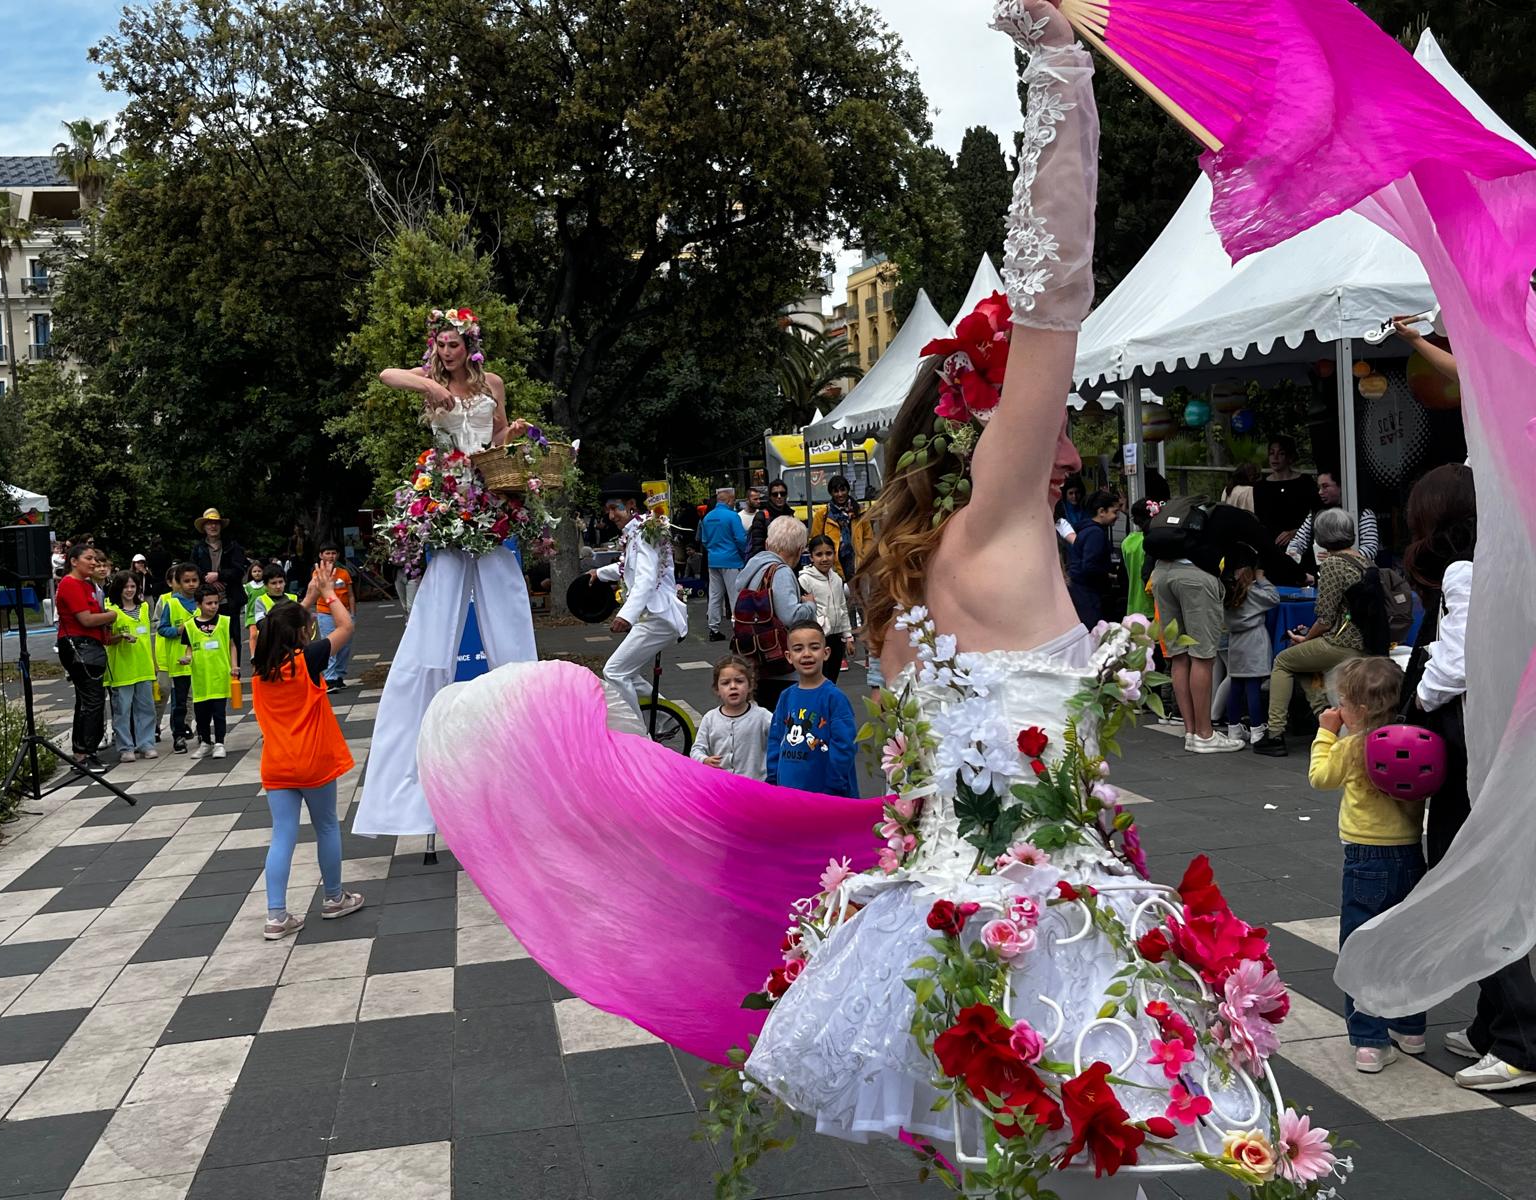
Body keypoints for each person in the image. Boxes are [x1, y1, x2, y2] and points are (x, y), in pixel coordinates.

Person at [413, 6, 1316, 1190]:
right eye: (1047, 427)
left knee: (1004, 1156)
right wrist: (1059, 72)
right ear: (989, 436)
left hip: (947, 912)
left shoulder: (903, 590)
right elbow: (1056, 294)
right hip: (1033, 928)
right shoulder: (998, 527)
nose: (1070, 446)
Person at [356, 306, 539, 840]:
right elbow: (386, 376)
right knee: (436, 612)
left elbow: (500, 436)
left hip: (486, 487)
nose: (446, 351)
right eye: (439, 344)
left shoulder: (494, 383)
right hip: (447, 494)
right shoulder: (430, 381)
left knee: (505, 600)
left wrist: (517, 431)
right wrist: (427, 385)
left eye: (453, 344)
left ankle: (523, 742)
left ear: (470, 345)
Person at [1385, 465, 1536, 1091]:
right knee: (1494, 873)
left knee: (1470, 876)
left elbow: (1453, 667)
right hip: (1508, 737)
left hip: (1472, 742)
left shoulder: (1466, 572)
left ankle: (1520, 1039)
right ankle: (1490, 1023)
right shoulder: (1512, 558)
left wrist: (1415, 699)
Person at [1308, 656, 1426, 1072]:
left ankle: (1369, 1042)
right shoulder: (1412, 740)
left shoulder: (1354, 746)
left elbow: (1320, 778)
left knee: (1360, 946)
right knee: (1404, 943)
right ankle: (1411, 1027)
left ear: (1354, 709)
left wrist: (1326, 733)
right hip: (1410, 853)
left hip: (1364, 857)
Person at [251, 561, 365, 940]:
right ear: (299, 633)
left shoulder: (259, 667)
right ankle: (334, 898)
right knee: (327, 826)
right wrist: (329, 593)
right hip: (313, 761)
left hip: (278, 764)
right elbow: (347, 627)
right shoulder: (309, 659)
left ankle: (276, 916)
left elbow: (279, 623)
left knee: (282, 835)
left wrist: (310, 595)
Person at [1254, 508, 1370, 757]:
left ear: (1322, 536)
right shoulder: (1362, 560)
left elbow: (1325, 619)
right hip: (1363, 639)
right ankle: (1323, 719)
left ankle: (1274, 733)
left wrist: (1307, 637)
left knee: (1284, 661)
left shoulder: (1332, 565)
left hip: (1343, 642)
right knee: (1303, 660)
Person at [591, 476, 689, 704]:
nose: (611, 515)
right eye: (608, 510)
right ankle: (667, 719)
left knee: (615, 671)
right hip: (653, 616)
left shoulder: (646, 532)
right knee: (628, 673)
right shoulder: (637, 532)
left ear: (632, 505)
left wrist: (626, 615)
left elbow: (645, 578)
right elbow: (628, 567)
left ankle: (636, 732)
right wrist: (599, 573)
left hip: (658, 617)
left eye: (615, 508)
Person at [1150, 532, 1244, 754]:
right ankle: (1205, 734)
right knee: (1202, 655)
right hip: (1196, 578)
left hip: (1161, 573)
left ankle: (1191, 732)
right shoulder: (1226, 519)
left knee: (1178, 655)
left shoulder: (1175, 531)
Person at [764, 620, 858, 797]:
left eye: (814, 647)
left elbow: (844, 747)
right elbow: (775, 740)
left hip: (827, 797)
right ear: (788, 656)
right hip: (789, 795)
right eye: (798, 649)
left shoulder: (834, 698)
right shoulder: (786, 697)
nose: (806, 654)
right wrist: (773, 780)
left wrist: (833, 786)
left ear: (826, 653)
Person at [733, 515, 817, 712]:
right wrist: (809, 606)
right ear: (798, 550)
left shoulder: (753, 568)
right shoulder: (781, 571)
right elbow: (789, 616)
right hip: (777, 661)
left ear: (768, 543)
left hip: (754, 653)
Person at [54, 543, 117, 775]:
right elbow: (87, 619)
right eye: (89, 559)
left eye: (96, 559)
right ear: (73, 561)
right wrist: (112, 615)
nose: (93, 563)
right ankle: (84, 753)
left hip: (90, 646)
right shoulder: (70, 584)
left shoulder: (88, 585)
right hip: (79, 647)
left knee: (88, 700)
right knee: (92, 700)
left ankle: (84, 752)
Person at [1222, 549, 1280, 746]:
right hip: (1254, 640)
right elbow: (1274, 598)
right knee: (1253, 686)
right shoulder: (1254, 591)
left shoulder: (1227, 591)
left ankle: (1233, 729)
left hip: (1235, 642)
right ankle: (1257, 729)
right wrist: (1262, 579)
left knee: (1236, 685)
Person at [104, 569, 159, 763]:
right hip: (122, 668)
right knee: (122, 710)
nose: (129, 590)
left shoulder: (144, 608)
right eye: (125, 586)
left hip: (143, 666)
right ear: (118, 588)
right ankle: (126, 747)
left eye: (133, 586)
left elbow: (148, 638)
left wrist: (154, 662)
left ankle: (147, 743)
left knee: (146, 708)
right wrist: (121, 637)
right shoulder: (111, 610)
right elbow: (107, 639)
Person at [179, 583, 238, 760]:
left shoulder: (225, 622)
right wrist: (187, 658)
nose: (213, 606)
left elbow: (232, 645)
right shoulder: (189, 626)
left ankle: (219, 742)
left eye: (215, 603)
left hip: (220, 674)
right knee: (201, 713)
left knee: (219, 712)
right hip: (200, 678)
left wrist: (234, 665)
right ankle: (205, 742)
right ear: (198, 605)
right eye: (208, 603)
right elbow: (189, 648)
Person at [691, 656, 771, 780]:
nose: (733, 686)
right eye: (725, 683)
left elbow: (779, 743)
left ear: (750, 685)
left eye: (739, 681)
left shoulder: (763, 717)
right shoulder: (710, 718)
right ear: (717, 689)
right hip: (721, 786)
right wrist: (704, 759)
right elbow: (697, 749)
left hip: (754, 786)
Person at [1284, 470, 1380, 567]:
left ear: (1341, 485)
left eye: (1325, 486)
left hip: (1356, 575)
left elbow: (1370, 549)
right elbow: (1298, 541)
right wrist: (1293, 552)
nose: (1320, 492)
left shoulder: (1362, 514)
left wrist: (1338, 558)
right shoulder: (1315, 516)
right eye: (1319, 487)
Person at [190, 507, 250, 651]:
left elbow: (239, 570)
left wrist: (219, 576)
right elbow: (193, 572)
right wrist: (208, 579)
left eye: (216, 523)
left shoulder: (232, 546)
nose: (213, 526)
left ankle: (234, 673)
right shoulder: (198, 549)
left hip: (230, 601)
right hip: (207, 602)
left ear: (221, 526)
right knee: (209, 641)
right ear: (204, 527)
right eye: (209, 523)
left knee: (233, 640)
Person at [158, 563, 202, 754]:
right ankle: (179, 734)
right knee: (180, 700)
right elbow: (161, 628)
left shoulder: (203, 602)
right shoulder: (171, 604)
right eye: (187, 581)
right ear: (178, 583)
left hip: (202, 661)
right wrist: (177, 631)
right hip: (179, 661)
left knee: (201, 699)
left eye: (194, 580)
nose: (191, 584)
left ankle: (203, 731)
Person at [798, 535, 853, 681]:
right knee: (818, 679)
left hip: (836, 638)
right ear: (811, 557)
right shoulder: (804, 580)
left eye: (828, 553)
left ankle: (828, 704)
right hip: (817, 639)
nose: (824, 559)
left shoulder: (837, 579)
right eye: (819, 554)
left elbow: (842, 607)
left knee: (832, 680)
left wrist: (848, 636)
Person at [1066, 488, 1120, 629]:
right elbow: (1089, 565)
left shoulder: (1087, 531)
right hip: (1087, 592)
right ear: (1101, 511)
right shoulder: (1095, 534)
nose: (1117, 516)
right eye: (1114, 512)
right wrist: (1107, 575)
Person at [1253, 434, 1319, 549]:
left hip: (1301, 543)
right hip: (1272, 546)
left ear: (1290, 457)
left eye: (1281, 453)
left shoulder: (1305, 482)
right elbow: (1261, 521)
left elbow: (1317, 513)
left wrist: (1297, 532)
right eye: (1272, 453)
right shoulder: (1261, 486)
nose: (1275, 457)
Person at [699, 487, 747, 641]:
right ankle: (738, 629)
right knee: (735, 595)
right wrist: (744, 553)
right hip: (731, 560)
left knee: (714, 596)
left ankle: (713, 629)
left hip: (713, 561)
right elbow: (741, 539)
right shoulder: (733, 516)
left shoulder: (707, 518)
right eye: (733, 501)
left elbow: (704, 540)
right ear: (729, 500)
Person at [313, 543, 355, 691]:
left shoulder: (344, 573)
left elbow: (350, 594)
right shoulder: (318, 574)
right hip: (326, 613)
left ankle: (339, 675)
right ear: (321, 555)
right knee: (330, 644)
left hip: (344, 613)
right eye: (327, 553)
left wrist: (352, 614)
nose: (331, 556)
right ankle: (330, 678)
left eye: (333, 553)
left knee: (345, 647)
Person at [809, 474, 866, 580]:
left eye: (843, 490)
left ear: (848, 490)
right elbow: (815, 542)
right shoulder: (822, 515)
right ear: (831, 493)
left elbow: (868, 538)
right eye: (836, 491)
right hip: (833, 566)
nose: (840, 494)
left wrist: (865, 558)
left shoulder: (859, 512)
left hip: (857, 564)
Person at [1121, 499, 1159, 619]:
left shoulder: (1127, 541)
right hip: (1151, 607)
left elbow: (1122, 575)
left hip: (1133, 606)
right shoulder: (1153, 541)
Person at [746, 479, 794, 561]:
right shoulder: (762, 516)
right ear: (770, 496)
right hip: (769, 563)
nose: (779, 497)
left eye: (782, 494)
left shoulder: (791, 515)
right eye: (775, 494)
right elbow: (757, 548)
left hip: (789, 562)